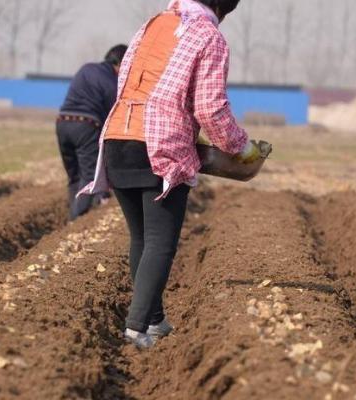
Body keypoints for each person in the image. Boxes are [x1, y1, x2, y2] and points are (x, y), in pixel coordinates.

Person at [79, 0, 261, 349]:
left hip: (118, 137)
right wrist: (240, 147)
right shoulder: (209, 36)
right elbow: (210, 107)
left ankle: (155, 319)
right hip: (160, 146)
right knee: (161, 242)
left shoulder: (153, 24)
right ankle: (135, 330)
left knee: (141, 239)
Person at [56, 44, 128, 221]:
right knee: (89, 177)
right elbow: (114, 117)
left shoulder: (86, 68)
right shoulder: (113, 83)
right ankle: (75, 220)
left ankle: (74, 211)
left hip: (62, 123)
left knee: (74, 175)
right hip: (86, 126)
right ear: (120, 64)